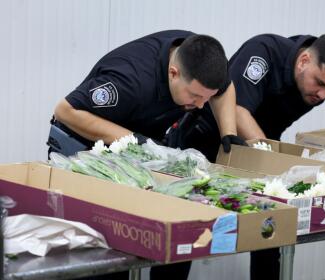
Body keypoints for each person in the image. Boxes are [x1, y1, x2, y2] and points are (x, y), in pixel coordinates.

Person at [179, 33, 325, 280]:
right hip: (207, 141)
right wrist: (271, 157)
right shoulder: (263, 52)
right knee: (188, 232)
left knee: (271, 231)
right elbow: (237, 109)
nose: (323, 95)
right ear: (303, 61)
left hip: (262, 147)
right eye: (319, 83)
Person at [47, 29, 245, 280]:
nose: (199, 105)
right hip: (84, 149)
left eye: (206, 97)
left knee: (178, 229)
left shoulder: (200, 58)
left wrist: (228, 132)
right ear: (173, 73)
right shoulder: (130, 79)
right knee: (110, 254)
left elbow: (225, 89)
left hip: (137, 148)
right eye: (195, 96)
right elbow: (67, 111)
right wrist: (133, 140)